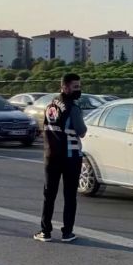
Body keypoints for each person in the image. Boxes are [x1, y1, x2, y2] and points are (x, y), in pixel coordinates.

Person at [35, 73, 87, 243]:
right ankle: (67, 233)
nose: (78, 90)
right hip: (70, 157)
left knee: (49, 194)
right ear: (65, 87)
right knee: (70, 196)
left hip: (51, 155)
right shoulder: (73, 108)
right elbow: (82, 131)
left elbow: (47, 128)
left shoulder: (50, 105)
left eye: (79, 86)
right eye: (75, 87)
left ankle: (45, 231)